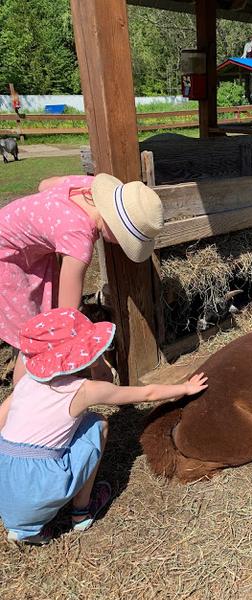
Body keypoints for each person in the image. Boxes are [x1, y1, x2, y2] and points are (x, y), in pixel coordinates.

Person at [0, 308, 208, 545]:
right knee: (97, 424)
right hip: (40, 488)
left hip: (5, 484)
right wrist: (185, 388)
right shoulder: (84, 390)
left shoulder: (25, 383)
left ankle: (26, 527)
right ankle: (81, 512)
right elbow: (146, 393)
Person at [0, 172, 164, 384]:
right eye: (125, 240)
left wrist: (43, 224)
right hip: (7, 259)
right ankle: (24, 399)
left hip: (21, 245)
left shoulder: (87, 186)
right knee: (35, 337)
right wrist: (97, 364)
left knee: (41, 319)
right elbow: (65, 315)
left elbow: (44, 184)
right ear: (114, 228)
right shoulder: (78, 238)